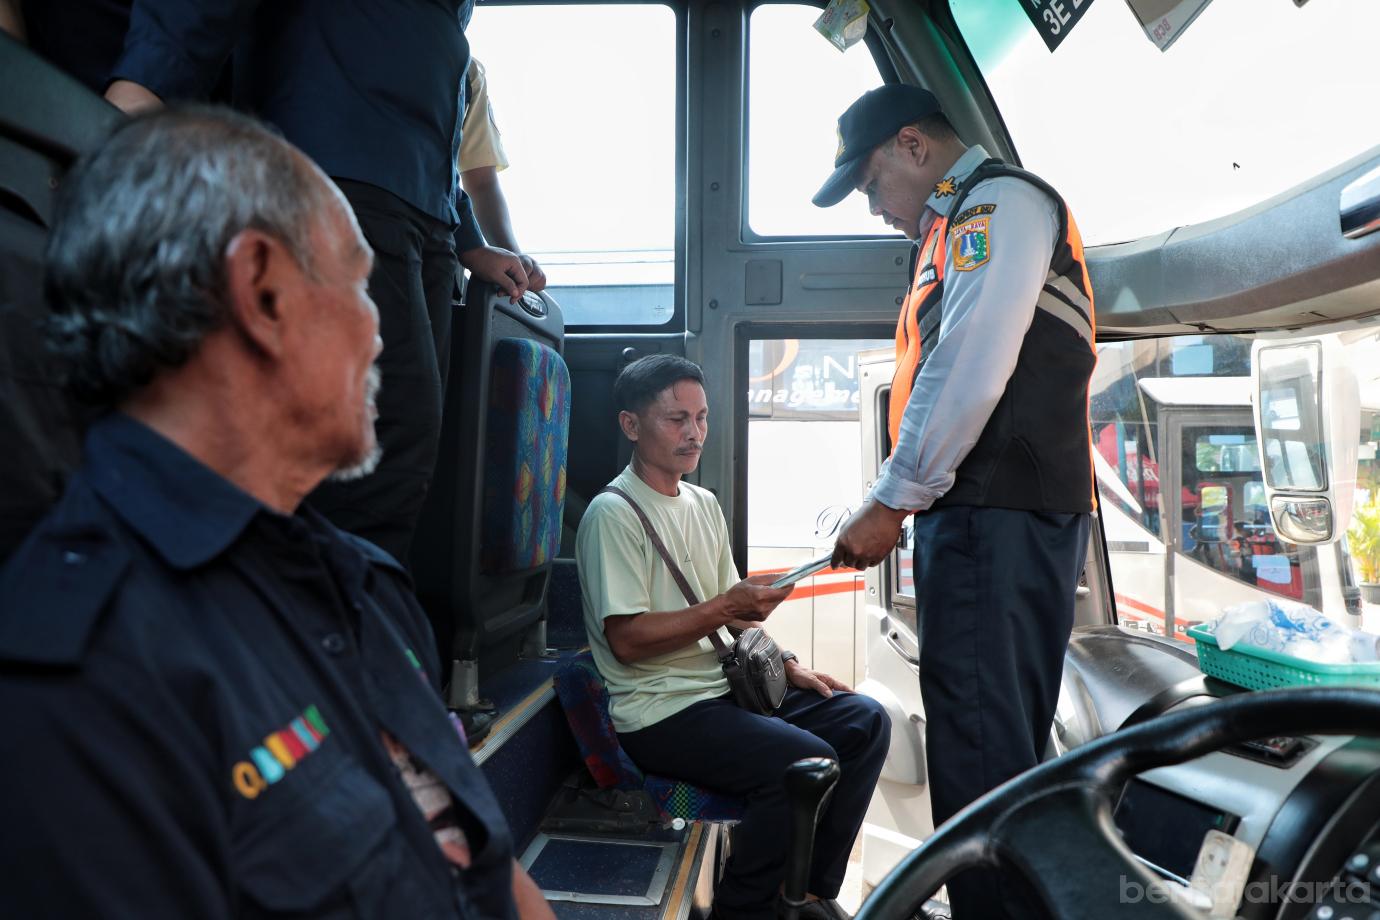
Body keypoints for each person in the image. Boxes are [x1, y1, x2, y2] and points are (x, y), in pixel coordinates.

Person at [0, 107, 552, 920]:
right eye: (360, 286)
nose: (379, 336)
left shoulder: (366, 582)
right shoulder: (76, 686)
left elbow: (484, 862)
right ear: (261, 288)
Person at [101, 0, 533, 563]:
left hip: (424, 213)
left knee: (412, 440)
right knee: (377, 434)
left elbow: (434, 118)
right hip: (336, 173)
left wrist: (469, 238)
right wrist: (145, 84)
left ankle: (361, 617)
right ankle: (330, 628)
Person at [818, 85, 1097, 920]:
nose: (875, 211)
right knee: (995, 749)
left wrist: (891, 501)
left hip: (991, 513)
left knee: (979, 760)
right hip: (995, 513)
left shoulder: (994, 206)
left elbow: (967, 364)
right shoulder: (951, 225)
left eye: (870, 186)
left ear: (912, 145)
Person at [576, 354, 891, 920]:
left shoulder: (704, 504)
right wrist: (727, 604)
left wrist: (788, 663)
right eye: (677, 419)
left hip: (720, 692)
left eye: (701, 418)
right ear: (631, 425)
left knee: (864, 722)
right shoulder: (613, 514)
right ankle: (745, 910)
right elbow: (626, 640)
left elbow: (732, 618)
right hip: (661, 711)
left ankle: (807, 891)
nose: (693, 433)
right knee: (802, 763)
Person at [459, 57, 547, 294]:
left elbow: (481, 183)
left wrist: (515, 261)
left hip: (440, 255)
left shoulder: (467, 72)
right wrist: (472, 246)